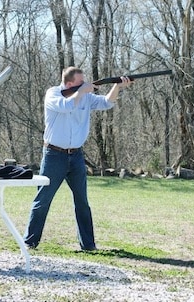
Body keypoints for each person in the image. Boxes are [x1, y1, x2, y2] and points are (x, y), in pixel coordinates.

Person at [23, 66, 132, 251]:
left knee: (82, 202)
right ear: (69, 83)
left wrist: (117, 86)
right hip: (53, 155)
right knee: (43, 199)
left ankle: (88, 245)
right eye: (81, 82)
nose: (85, 84)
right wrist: (81, 92)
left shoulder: (86, 97)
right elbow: (66, 106)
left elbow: (107, 102)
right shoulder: (53, 94)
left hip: (76, 155)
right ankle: (29, 242)